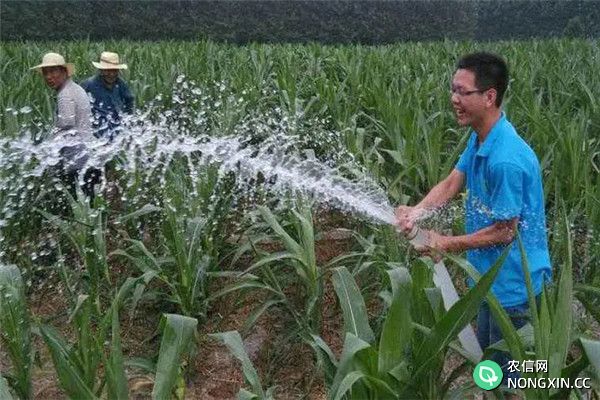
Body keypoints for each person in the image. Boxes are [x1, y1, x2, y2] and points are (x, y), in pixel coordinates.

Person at [395, 52, 551, 386]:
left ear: (489, 96)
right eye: (452, 89)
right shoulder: (481, 137)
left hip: (514, 289)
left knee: (513, 380)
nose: (454, 99)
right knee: (490, 371)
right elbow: (453, 181)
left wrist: (445, 243)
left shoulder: (506, 159)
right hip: (486, 280)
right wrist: (417, 212)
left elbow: (505, 231)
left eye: (462, 92)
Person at [30, 52, 99, 200]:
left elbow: (66, 124)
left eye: (53, 71)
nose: (49, 77)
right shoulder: (76, 88)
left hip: (79, 158)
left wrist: (45, 147)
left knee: (80, 206)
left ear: (64, 71)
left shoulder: (65, 94)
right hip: (90, 154)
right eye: (46, 73)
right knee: (92, 205)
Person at [81, 51, 134, 140]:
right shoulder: (89, 84)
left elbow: (129, 101)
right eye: (108, 70)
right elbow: (75, 101)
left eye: (114, 70)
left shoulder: (120, 84)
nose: (111, 74)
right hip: (95, 133)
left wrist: (127, 120)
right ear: (101, 70)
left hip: (116, 131)